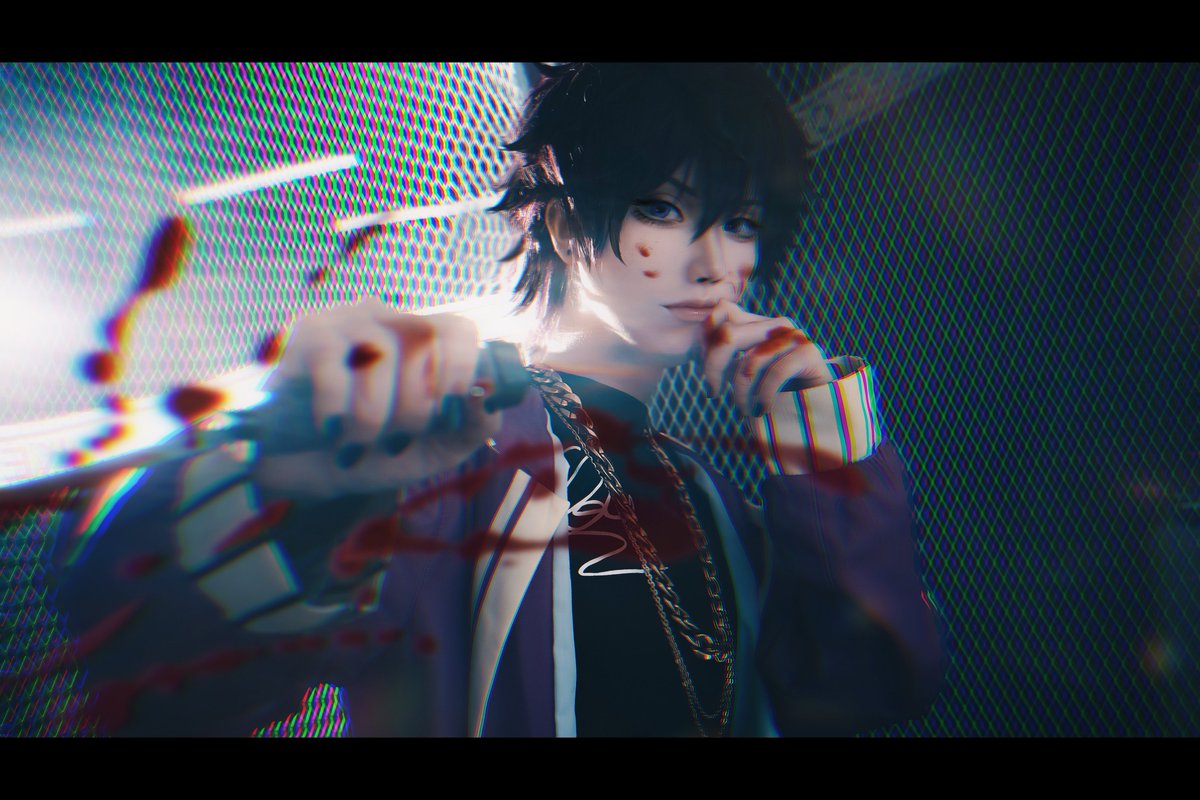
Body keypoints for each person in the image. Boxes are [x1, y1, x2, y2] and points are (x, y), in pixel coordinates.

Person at [48, 63, 946, 736]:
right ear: (560, 214)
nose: (713, 261)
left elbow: (870, 685)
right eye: (665, 209)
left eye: (740, 223)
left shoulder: (711, 496)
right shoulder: (455, 438)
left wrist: (824, 448)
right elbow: (147, 661)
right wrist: (290, 478)